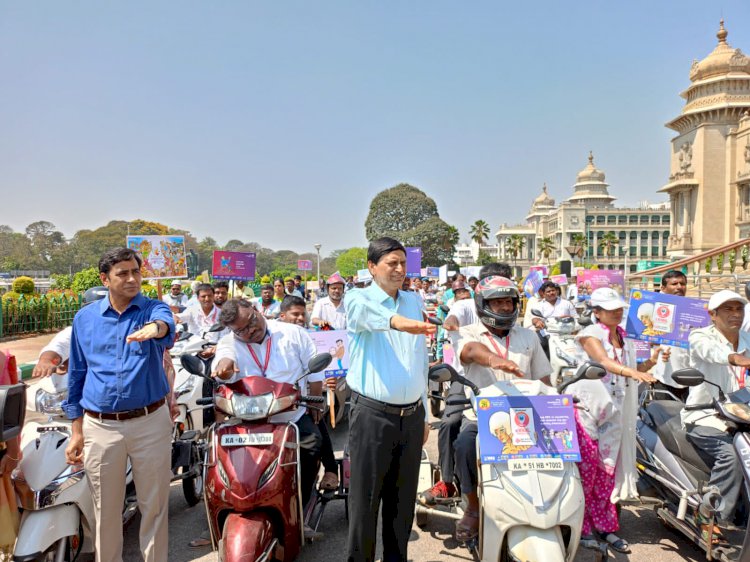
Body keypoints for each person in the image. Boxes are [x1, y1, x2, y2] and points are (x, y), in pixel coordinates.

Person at [63, 247, 175, 562]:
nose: (131, 279)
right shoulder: (85, 318)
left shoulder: (153, 308)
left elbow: (165, 325)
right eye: (122, 273)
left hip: (150, 422)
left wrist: (156, 329)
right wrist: (77, 431)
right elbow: (77, 375)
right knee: (105, 510)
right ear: (105, 279)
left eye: (135, 272)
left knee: (153, 507)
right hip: (100, 426)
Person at [345, 237, 436, 562]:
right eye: (391, 264)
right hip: (372, 416)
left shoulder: (413, 300)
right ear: (372, 267)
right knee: (365, 505)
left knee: (401, 507)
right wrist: (401, 323)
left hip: (410, 419)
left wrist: (424, 412)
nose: (399, 270)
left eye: (402, 263)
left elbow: (419, 361)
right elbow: (374, 317)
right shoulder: (357, 299)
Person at [451, 275, 552, 541]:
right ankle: (472, 506)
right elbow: (470, 351)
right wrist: (495, 360)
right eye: (498, 303)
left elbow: (544, 380)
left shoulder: (529, 336)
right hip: (483, 416)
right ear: (483, 304)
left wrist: (558, 400)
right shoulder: (469, 332)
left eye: (509, 301)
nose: (506, 307)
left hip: (527, 416)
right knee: (463, 444)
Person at [212, 299, 324, 532]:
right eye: (241, 330)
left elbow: (314, 374)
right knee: (220, 457)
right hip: (248, 420)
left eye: (252, 321)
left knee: (312, 445)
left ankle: (300, 504)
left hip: (290, 415)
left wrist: (314, 404)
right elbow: (224, 360)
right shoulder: (229, 342)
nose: (250, 330)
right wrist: (223, 367)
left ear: (256, 311)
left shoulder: (293, 333)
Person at [419, 263, 510, 507]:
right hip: (466, 379)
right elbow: (452, 318)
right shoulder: (464, 305)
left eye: (506, 293)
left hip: (506, 383)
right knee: (450, 423)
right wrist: (450, 325)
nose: (502, 299)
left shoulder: (515, 320)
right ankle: (448, 482)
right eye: (493, 284)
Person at [575, 287, 657, 553]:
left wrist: (652, 361)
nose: (617, 312)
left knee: (607, 471)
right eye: (610, 309)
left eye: (619, 308)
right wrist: (632, 371)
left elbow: (633, 370)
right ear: (596, 312)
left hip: (616, 411)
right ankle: (582, 528)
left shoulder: (625, 337)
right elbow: (603, 361)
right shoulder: (590, 334)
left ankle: (605, 528)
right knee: (586, 472)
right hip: (588, 409)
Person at [683, 290, 750, 543]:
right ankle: (708, 514)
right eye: (728, 309)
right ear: (713, 315)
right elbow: (711, 353)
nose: (735, 314)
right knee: (732, 455)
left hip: (743, 416)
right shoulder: (699, 336)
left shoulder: (747, 337)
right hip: (705, 416)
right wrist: (735, 358)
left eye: (739, 309)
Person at [277, 295, 340, 491]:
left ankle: (330, 470)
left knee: (316, 426)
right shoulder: (271, 337)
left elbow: (321, 368)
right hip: (269, 403)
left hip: (302, 400)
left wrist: (329, 381)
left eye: (302, 314)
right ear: (282, 316)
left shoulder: (310, 335)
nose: (300, 318)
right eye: (294, 314)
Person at [33, 286, 110, 378]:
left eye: (107, 309)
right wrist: (46, 360)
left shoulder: (125, 331)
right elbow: (59, 345)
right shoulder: (76, 331)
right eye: (93, 309)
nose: (100, 314)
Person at [651, 270, 689, 401]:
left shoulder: (694, 311)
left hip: (690, 379)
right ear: (663, 288)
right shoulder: (654, 309)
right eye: (674, 284)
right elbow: (644, 342)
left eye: (682, 284)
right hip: (664, 378)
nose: (679, 287)